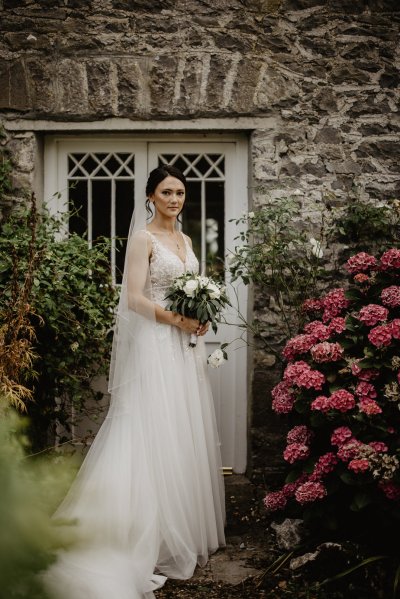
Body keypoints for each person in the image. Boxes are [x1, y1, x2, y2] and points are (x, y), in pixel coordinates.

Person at [42, 165, 226, 599]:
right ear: (150, 197)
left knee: (181, 427)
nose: (175, 199)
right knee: (149, 427)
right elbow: (134, 297)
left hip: (184, 347)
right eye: (166, 192)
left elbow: (189, 288)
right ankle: (135, 532)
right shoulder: (143, 238)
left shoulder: (185, 239)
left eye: (180, 192)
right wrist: (178, 319)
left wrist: (199, 320)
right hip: (156, 345)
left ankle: (177, 526)